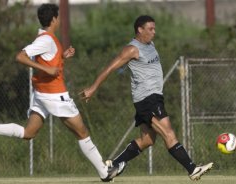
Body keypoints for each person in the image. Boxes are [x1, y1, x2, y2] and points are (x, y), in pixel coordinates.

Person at [0, 3, 117, 182]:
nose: (59, 20)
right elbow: (20, 56)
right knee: (82, 132)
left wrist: (62, 57)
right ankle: (104, 172)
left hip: (41, 94)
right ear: (53, 19)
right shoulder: (45, 40)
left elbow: (48, 60)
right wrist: (46, 70)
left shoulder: (47, 39)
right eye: (58, 17)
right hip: (54, 95)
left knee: (28, 133)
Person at [80, 15, 213, 181]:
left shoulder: (150, 44)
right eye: (150, 29)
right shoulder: (131, 49)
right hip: (147, 99)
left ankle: (113, 166)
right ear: (139, 30)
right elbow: (109, 68)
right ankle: (192, 169)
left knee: (147, 140)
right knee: (168, 133)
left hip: (153, 97)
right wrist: (93, 88)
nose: (154, 32)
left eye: (154, 28)